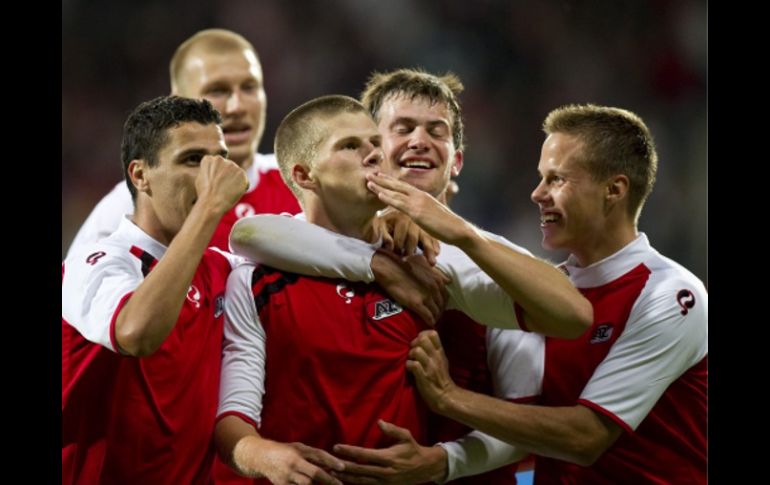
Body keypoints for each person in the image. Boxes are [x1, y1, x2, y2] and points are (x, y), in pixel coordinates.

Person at [226, 69, 591, 483]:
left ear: (456, 160)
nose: (419, 141)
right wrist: (375, 263)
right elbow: (248, 234)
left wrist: (443, 460)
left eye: (437, 131)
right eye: (400, 129)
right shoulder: (279, 258)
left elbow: (560, 343)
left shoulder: (468, 259)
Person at [377, 104, 707, 483]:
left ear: (614, 190)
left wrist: (451, 397)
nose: (537, 194)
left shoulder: (670, 294)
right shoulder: (545, 292)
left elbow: (586, 437)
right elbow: (524, 419)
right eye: (540, 178)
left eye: (557, 179)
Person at [62, 96, 249, 483]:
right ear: (140, 175)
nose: (213, 173)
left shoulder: (218, 267)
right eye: (194, 159)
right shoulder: (92, 263)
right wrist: (209, 209)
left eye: (220, 158)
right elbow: (136, 333)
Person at [66, 28, 300, 255]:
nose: (237, 106)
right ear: (179, 101)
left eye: (249, 88)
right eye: (217, 90)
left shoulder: (302, 184)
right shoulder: (128, 210)